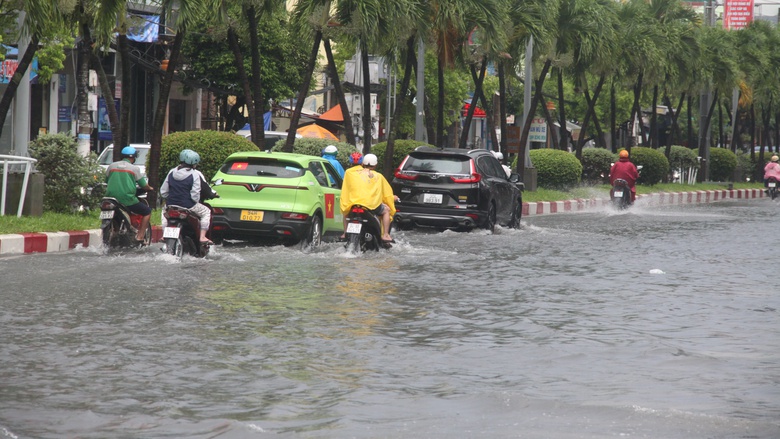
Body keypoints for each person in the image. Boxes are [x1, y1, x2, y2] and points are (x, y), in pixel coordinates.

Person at [160, 149, 218, 245]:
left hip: (170, 204)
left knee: (164, 213)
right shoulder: (195, 174)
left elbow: (163, 192)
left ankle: (164, 235)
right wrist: (194, 201)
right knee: (206, 211)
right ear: (194, 163)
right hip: (188, 205)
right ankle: (202, 237)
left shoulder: (171, 172)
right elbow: (195, 194)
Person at [339, 153, 399, 243]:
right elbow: (386, 194)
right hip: (371, 206)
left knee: (346, 211)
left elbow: (346, 188)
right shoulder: (379, 176)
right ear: (375, 165)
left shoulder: (351, 173)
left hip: (353, 203)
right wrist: (392, 198)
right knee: (386, 210)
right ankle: (386, 235)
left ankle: (344, 233)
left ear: (363, 163)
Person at [105, 146, 153, 242]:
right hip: (127, 200)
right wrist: (150, 188)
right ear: (134, 158)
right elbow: (144, 185)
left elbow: (107, 180)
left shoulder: (111, 166)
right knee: (147, 211)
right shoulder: (134, 168)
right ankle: (140, 236)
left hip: (110, 199)